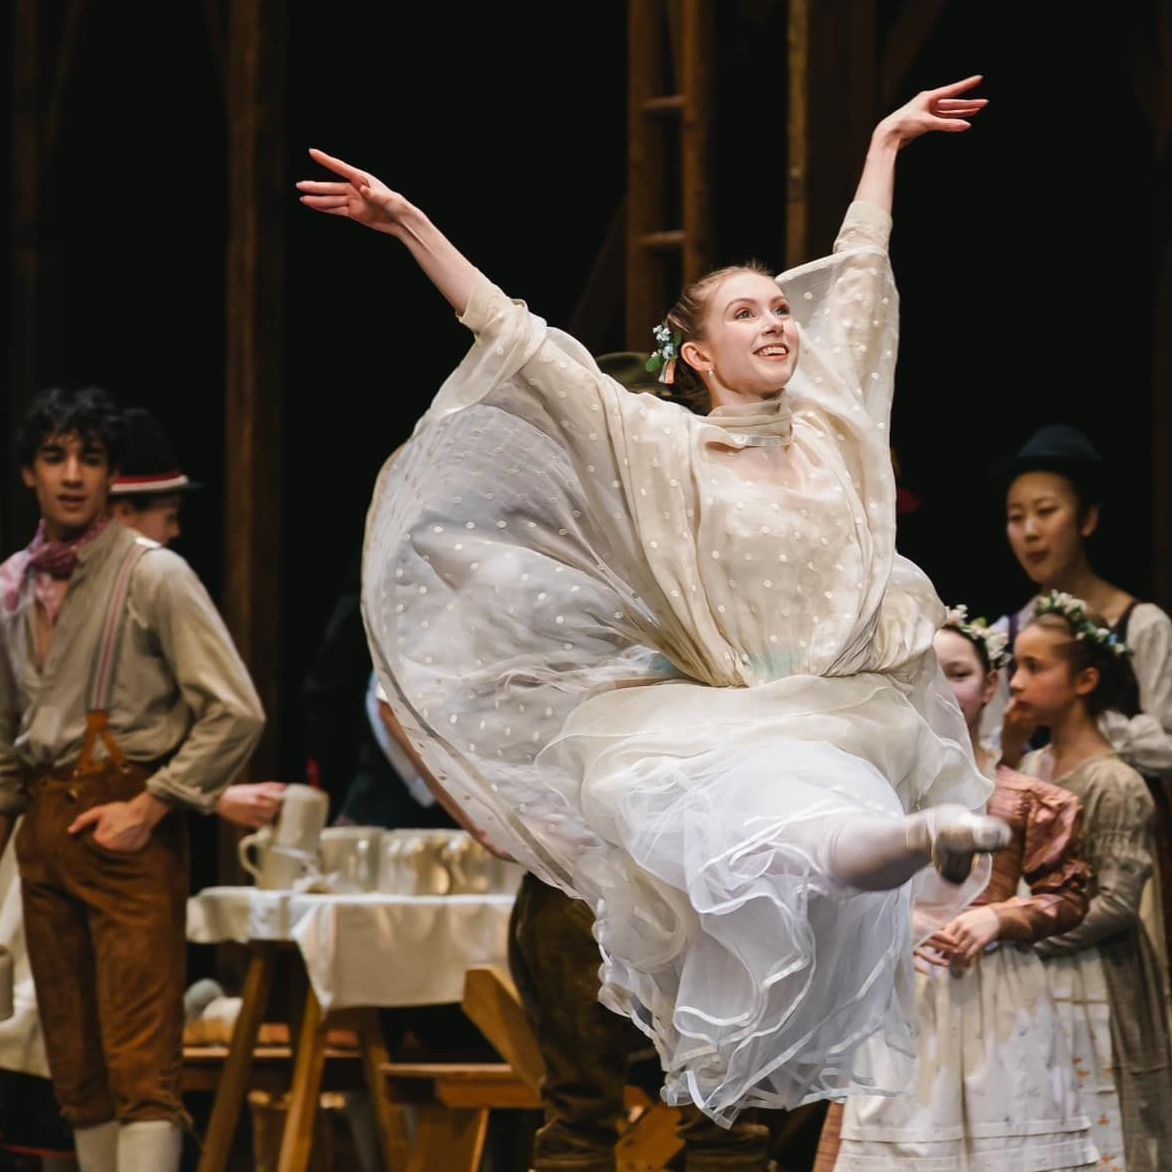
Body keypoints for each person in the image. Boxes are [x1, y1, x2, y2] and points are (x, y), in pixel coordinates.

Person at [298, 79, 1011, 1124]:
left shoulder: (832, 432)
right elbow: (525, 341)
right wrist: (408, 222)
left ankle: (906, 840)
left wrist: (884, 147)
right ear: (694, 355)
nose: (774, 320)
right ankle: (911, 840)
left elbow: (858, 283)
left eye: (778, 307)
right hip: (724, 714)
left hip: (842, 699)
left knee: (818, 826)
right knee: (780, 828)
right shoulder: (660, 444)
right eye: (744, 310)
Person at [0, 387, 265, 1172]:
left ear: (113, 475)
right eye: (55, 457)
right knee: (74, 1062)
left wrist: (151, 805)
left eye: (90, 458)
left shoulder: (154, 575)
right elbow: (9, 741)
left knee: (139, 1059)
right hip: (45, 834)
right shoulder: (13, 584)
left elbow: (235, 711)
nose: (73, 475)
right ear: (29, 474)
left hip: (126, 830)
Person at [996, 425, 1172, 1154]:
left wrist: (1095, 725)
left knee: (1136, 1011)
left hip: (1123, 833)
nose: (1031, 531)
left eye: (1047, 511)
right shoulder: (1011, 633)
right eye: (1016, 516)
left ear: (1088, 519)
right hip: (1039, 845)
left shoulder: (1141, 623)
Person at [830, 606, 1099, 1171]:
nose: (944, 690)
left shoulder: (1029, 798)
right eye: (927, 675)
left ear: (991, 683)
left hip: (999, 999)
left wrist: (999, 919)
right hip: (905, 994)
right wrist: (897, 925)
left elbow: (1070, 893)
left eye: (958, 673)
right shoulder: (874, 797)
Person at [1017, 592, 1172, 1172]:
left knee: (1103, 1120)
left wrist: (1022, 933)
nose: (1017, 682)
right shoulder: (1030, 771)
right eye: (1016, 665)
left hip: (1096, 976)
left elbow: (1114, 902)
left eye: (1035, 667)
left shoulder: (1115, 782)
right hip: (1035, 980)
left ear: (1085, 679)